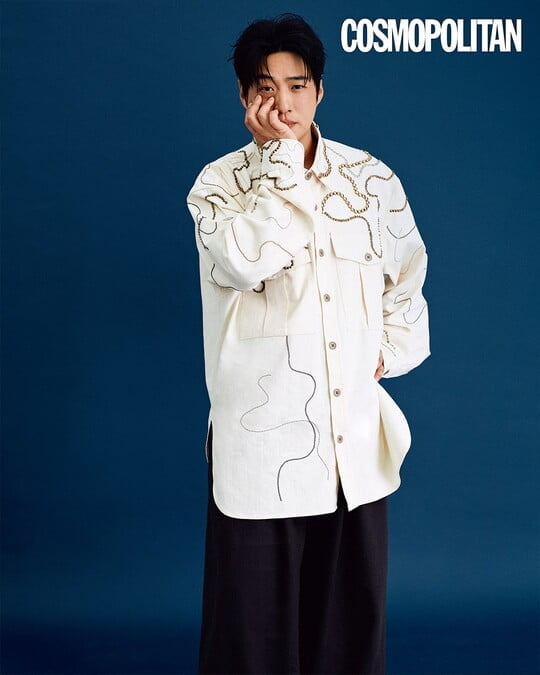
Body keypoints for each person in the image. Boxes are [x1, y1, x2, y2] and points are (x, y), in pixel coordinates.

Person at [186, 13, 430, 675]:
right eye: (265, 87)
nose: (284, 103)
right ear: (244, 97)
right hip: (262, 444)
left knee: (348, 631)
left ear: (320, 89)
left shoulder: (372, 180)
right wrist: (281, 166)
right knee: (252, 638)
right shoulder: (217, 186)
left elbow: (408, 275)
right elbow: (251, 262)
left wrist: (385, 351)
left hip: (351, 442)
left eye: (297, 85)